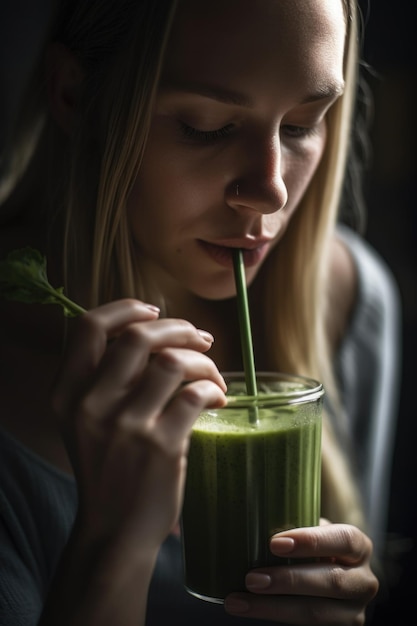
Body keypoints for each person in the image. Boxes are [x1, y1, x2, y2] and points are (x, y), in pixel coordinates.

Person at [0, 0, 401, 624]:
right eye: (208, 126)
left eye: (301, 125)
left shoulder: (350, 302)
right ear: (75, 95)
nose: (270, 190)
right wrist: (113, 546)